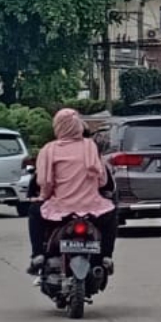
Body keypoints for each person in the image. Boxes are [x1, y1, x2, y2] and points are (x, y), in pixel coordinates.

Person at [27, 108, 117, 276]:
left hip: (60, 209)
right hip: (93, 208)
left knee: (34, 212)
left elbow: (45, 182)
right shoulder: (90, 146)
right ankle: (106, 256)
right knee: (112, 215)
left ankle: (38, 254)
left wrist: (42, 197)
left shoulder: (49, 149)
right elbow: (103, 181)